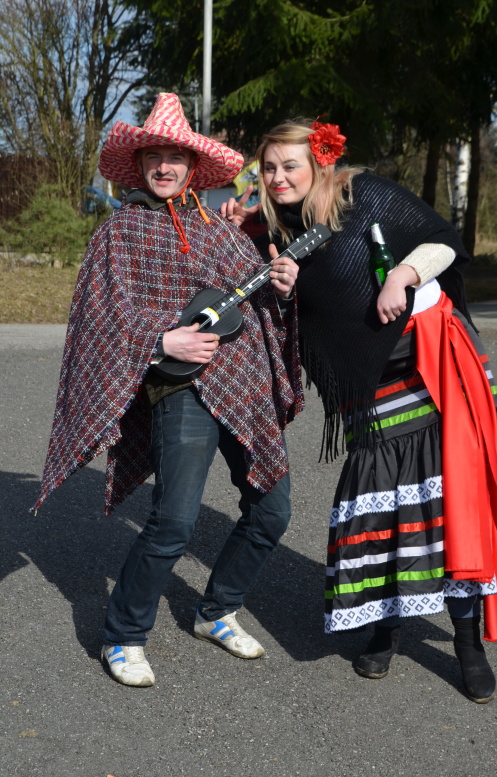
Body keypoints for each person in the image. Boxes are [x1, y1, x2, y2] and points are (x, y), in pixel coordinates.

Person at [222, 118, 497, 703]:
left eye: (290, 165)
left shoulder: (365, 194)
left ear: (319, 164)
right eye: (269, 167)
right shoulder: (275, 231)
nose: (278, 177)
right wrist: (284, 289)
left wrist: (402, 275)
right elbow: (291, 316)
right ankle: (386, 626)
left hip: (433, 365)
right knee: (386, 503)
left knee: (452, 502)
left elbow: (440, 240)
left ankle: (468, 643)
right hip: (369, 383)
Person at [33, 93, 304, 687]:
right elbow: (101, 320)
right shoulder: (118, 233)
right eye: (153, 156)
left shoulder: (221, 231)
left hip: (243, 385)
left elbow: (257, 308)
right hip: (177, 390)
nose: (164, 166)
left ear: (192, 166)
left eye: (174, 157)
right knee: (175, 522)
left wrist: (283, 292)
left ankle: (216, 610)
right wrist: (163, 340)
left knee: (272, 510)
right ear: (138, 164)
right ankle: (123, 635)